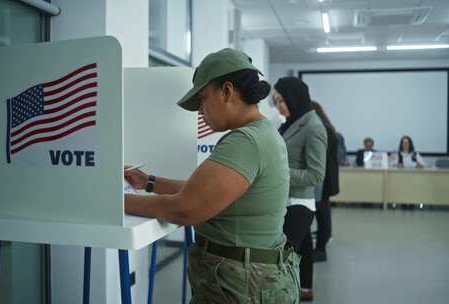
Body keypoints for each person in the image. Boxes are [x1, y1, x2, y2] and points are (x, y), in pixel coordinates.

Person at [124, 48, 300, 303]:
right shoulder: (260, 133)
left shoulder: (246, 141)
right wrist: (148, 182)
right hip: (251, 279)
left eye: (203, 99)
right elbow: (203, 192)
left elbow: (185, 209)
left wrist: (116, 201)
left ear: (227, 91)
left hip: (242, 284)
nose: (200, 112)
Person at [273, 77, 327, 302]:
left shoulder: (313, 127)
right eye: (275, 101)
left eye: (281, 100)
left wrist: (279, 173)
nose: (279, 106)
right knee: (304, 248)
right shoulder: (291, 121)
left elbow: (316, 175)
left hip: (298, 203)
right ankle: (305, 290)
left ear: (295, 98)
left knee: (283, 257)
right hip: (286, 199)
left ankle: (283, 295)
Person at [311, 101, 340, 263]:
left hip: (322, 181)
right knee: (323, 213)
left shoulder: (322, 129)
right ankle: (322, 241)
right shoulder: (328, 128)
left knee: (322, 214)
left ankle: (321, 249)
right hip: (326, 180)